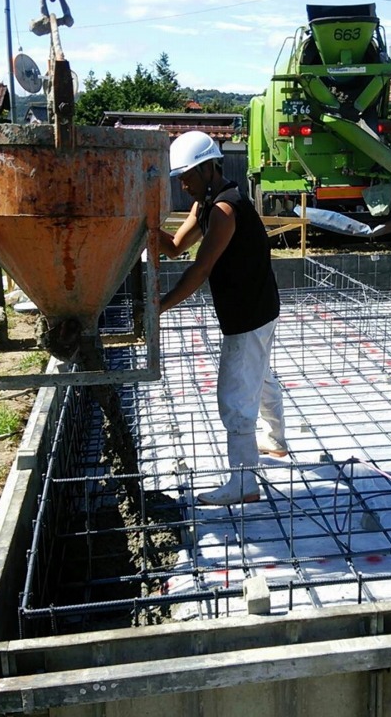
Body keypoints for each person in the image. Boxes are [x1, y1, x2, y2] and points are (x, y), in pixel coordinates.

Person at [158, 130, 287, 506]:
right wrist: (146, 226)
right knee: (260, 375)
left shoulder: (225, 210)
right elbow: (176, 248)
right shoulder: (207, 203)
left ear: (209, 168)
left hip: (246, 314)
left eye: (187, 176)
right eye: (180, 177)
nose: (182, 184)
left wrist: (160, 307)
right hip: (261, 307)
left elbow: (199, 269)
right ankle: (276, 440)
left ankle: (244, 483)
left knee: (234, 397)